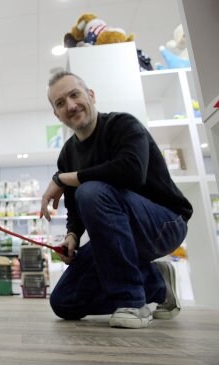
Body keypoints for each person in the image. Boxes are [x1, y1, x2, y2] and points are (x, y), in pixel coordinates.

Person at [40, 71, 192, 329]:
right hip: (117, 237)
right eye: (60, 103)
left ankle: (132, 302)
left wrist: (64, 178)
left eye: (75, 94)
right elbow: (76, 207)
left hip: (165, 224)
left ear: (91, 94)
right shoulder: (67, 154)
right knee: (64, 302)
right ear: (56, 114)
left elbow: (131, 172)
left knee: (92, 190)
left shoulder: (123, 125)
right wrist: (73, 236)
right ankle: (155, 281)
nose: (71, 105)